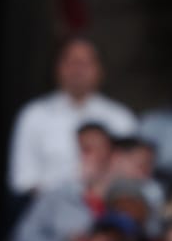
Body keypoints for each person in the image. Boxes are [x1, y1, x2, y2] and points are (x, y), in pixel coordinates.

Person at [8, 38, 135, 202]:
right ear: (57, 67)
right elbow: (22, 181)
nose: (78, 70)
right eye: (72, 62)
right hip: (47, 209)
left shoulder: (120, 118)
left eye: (85, 63)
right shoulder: (34, 115)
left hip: (108, 210)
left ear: (100, 69)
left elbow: (134, 177)